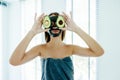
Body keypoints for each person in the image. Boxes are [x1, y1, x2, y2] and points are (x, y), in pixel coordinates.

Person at [9, 12, 104, 80]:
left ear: (63, 25)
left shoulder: (70, 48)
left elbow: (99, 52)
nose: (54, 26)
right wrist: (32, 32)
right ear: (46, 25)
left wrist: (76, 29)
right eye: (51, 22)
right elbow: (14, 61)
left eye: (58, 22)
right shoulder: (40, 49)